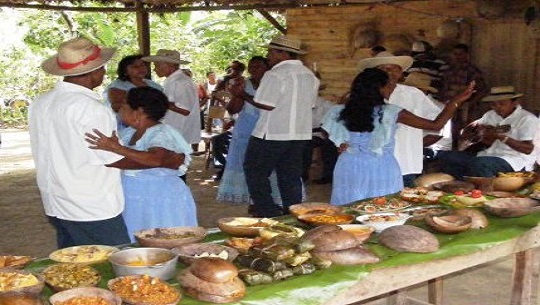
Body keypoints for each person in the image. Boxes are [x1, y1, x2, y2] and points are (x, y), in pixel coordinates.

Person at [28, 37, 131, 248]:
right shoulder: (92, 108)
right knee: (110, 263)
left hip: (56, 200)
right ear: (95, 71)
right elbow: (111, 158)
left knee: (73, 265)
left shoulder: (40, 102)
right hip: (91, 205)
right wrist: (157, 160)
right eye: (102, 68)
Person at [322, 68, 475, 205]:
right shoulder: (392, 112)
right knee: (383, 209)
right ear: (379, 88)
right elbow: (436, 125)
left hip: (348, 166)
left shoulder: (338, 110)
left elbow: (327, 132)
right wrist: (455, 102)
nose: (392, 88)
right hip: (381, 166)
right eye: (389, 85)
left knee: (347, 209)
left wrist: (341, 145)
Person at [85, 87, 198, 242]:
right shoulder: (128, 133)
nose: (119, 109)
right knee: (138, 239)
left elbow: (156, 159)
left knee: (164, 238)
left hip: (160, 197)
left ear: (138, 112)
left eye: (124, 106)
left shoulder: (161, 132)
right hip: (135, 197)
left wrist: (116, 148)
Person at [244, 35, 320, 217]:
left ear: (282, 53)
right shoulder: (311, 76)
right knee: (290, 176)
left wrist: (242, 95)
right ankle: (292, 212)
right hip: (299, 134)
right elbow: (309, 105)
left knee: (255, 172)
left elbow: (266, 104)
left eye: (270, 51)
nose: (268, 55)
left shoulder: (275, 74)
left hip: (271, 134)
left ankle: (267, 211)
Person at [357, 51, 442, 187]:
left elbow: (436, 120)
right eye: (383, 69)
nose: (389, 72)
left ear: (401, 72)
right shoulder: (364, 96)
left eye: (393, 68)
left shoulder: (413, 94)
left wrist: (419, 143)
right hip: (370, 162)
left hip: (405, 161)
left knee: (402, 202)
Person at [216, 56, 283, 206]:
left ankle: (269, 201)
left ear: (267, 68)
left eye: (258, 66)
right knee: (247, 165)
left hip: (269, 129)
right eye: (251, 67)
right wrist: (236, 94)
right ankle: (253, 202)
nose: (254, 70)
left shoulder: (274, 83)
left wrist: (244, 95)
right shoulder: (244, 84)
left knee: (267, 165)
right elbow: (234, 109)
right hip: (246, 130)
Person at [437, 86, 538, 180]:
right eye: (493, 104)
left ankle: (487, 190)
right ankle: (466, 186)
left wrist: (501, 137)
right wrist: (471, 131)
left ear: (514, 102)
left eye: (502, 104)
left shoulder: (527, 119)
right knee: (448, 157)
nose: (497, 107)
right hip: (489, 155)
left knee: (480, 164)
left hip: (515, 160)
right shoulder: (491, 115)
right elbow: (472, 127)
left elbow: (528, 149)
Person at [142, 49, 201, 153]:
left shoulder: (181, 82)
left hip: (178, 130)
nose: (155, 69)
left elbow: (185, 110)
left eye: (157, 65)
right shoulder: (173, 81)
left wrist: (159, 101)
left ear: (170, 65)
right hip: (173, 130)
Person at [440, 43, 489, 147]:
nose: (458, 56)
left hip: (467, 105)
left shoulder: (471, 70)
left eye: (461, 54)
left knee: (468, 129)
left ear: (467, 55)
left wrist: (472, 102)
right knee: (454, 128)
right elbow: (444, 86)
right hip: (453, 103)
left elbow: (483, 88)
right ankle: (454, 149)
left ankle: (467, 150)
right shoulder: (449, 70)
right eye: (455, 54)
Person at [104, 54, 163, 131]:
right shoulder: (118, 85)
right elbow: (116, 106)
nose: (141, 68)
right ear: (125, 71)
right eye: (135, 67)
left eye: (142, 65)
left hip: (153, 124)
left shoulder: (153, 85)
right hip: (128, 127)